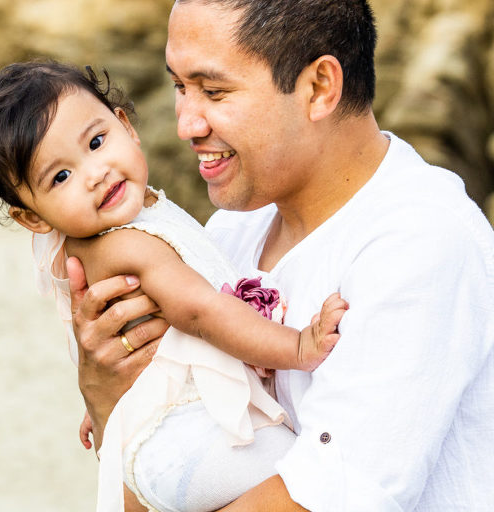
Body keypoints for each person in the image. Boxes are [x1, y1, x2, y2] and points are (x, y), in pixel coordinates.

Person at [68, 0, 494, 510]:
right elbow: (161, 481)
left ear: (318, 88)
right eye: (180, 87)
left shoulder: (418, 241)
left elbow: (318, 502)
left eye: (214, 91)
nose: (186, 124)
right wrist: (114, 400)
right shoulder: (230, 232)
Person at [0, 60, 349, 511]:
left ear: (126, 126)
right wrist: (298, 346)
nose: (94, 173)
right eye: (60, 176)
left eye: (96, 142)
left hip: (163, 445)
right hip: (188, 441)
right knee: (319, 477)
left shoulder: (134, 223)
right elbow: (201, 312)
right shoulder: (130, 245)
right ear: (33, 217)